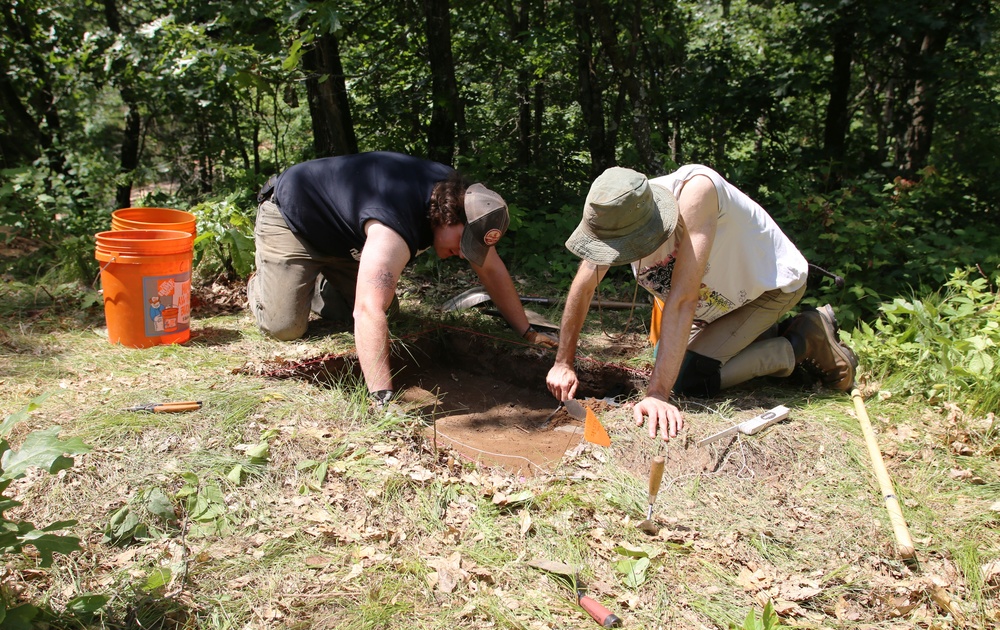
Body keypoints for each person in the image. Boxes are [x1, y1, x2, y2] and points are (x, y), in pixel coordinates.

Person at [545, 164, 857, 440]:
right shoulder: (615, 216)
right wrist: (562, 362)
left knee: (686, 378)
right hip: (720, 305)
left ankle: (804, 341)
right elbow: (582, 288)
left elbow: (683, 300)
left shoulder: (695, 193)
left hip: (768, 289)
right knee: (664, 355)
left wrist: (657, 394)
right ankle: (774, 334)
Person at [248, 151, 555, 406]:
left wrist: (526, 332)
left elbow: (492, 269)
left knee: (389, 312)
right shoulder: (394, 225)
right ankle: (264, 285)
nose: (464, 255)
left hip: (346, 240)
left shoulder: (470, 204)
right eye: (463, 244)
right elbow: (368, 309)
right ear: (448, 217)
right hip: (293, 221)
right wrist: (382, 398)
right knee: (285, 326)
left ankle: (312, 283)